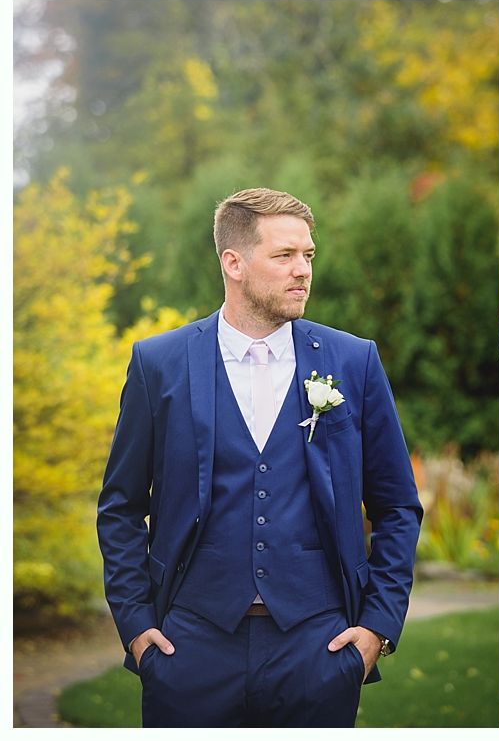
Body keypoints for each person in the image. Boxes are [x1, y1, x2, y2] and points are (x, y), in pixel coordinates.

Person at [97, 187, 422, 727]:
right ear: (234, 263)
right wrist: (136, 629)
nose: (303, 271)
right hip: (189, 646)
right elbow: (121, 507)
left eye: (308, 256)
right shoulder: (160, 364)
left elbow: (396, 506)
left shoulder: (353, 360)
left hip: (319, 646)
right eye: (285, 256)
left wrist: (377, 628)